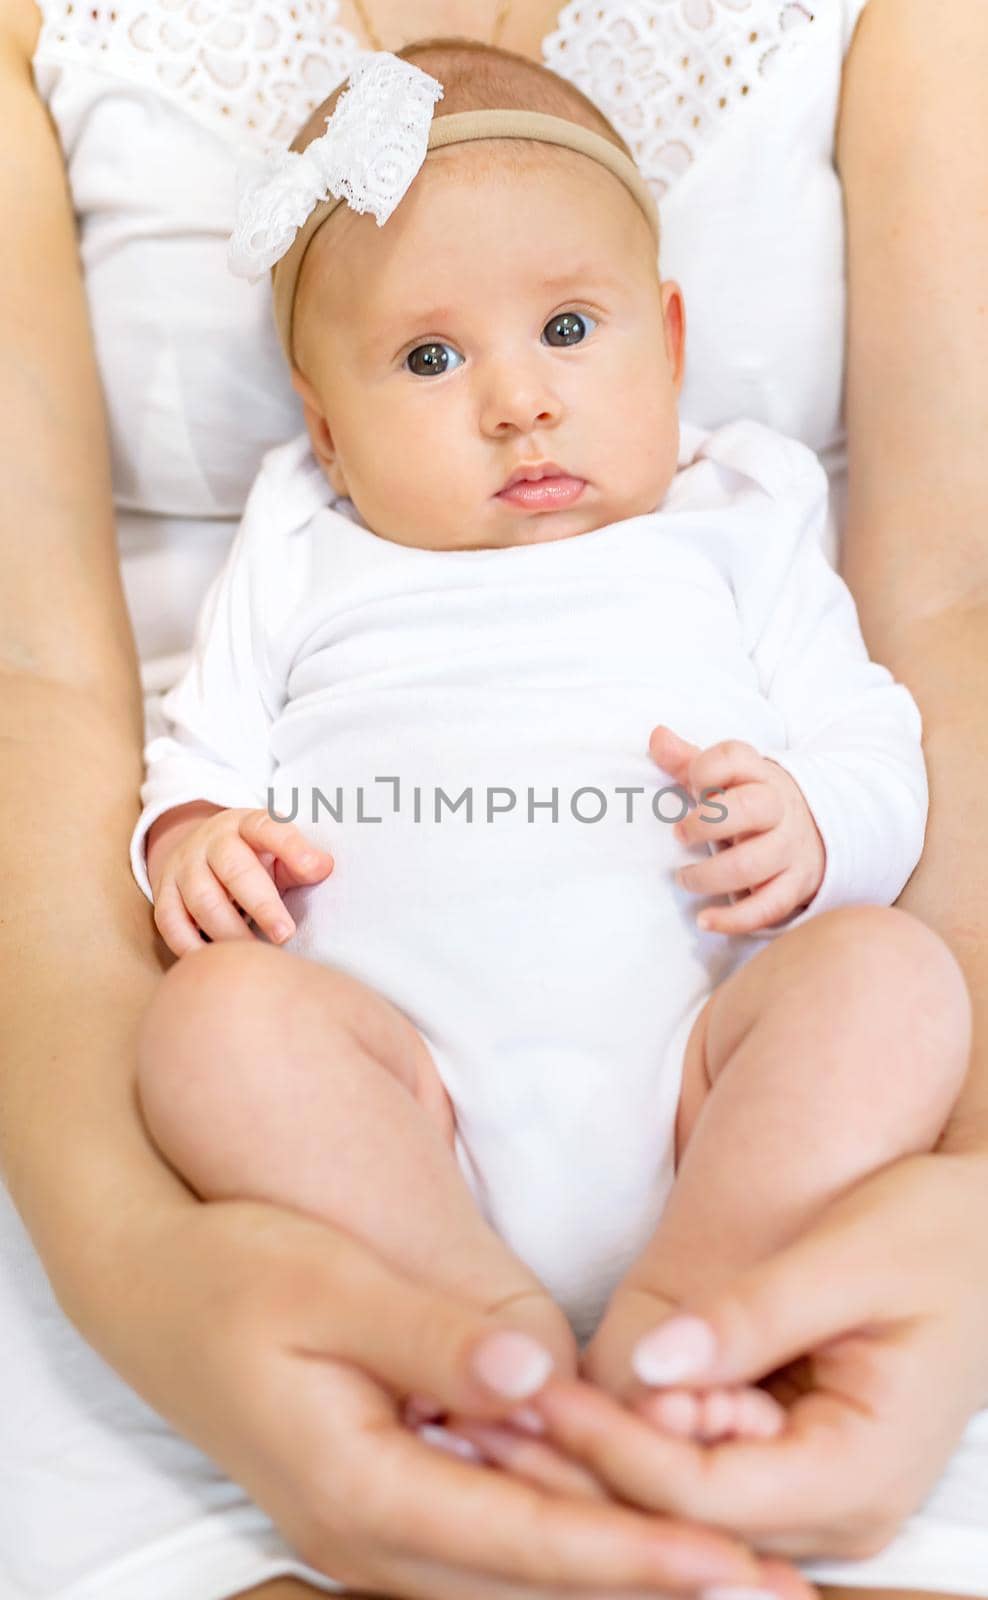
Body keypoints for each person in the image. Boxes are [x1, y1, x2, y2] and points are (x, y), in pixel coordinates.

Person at [1, 1, 985, 1598]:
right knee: (212, 1029)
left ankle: (695, 1304)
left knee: (888, 978)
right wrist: (194, 843)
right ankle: (481, 1329)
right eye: (430, 358)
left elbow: (874, 730)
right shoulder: (306, 540)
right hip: (402, 1101)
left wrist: (818, 823)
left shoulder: (743, 516)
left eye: (572, 334)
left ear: (670, 341)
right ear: (326, 423)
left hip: (708, 1071)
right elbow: (202, 745)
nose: (517, 403)